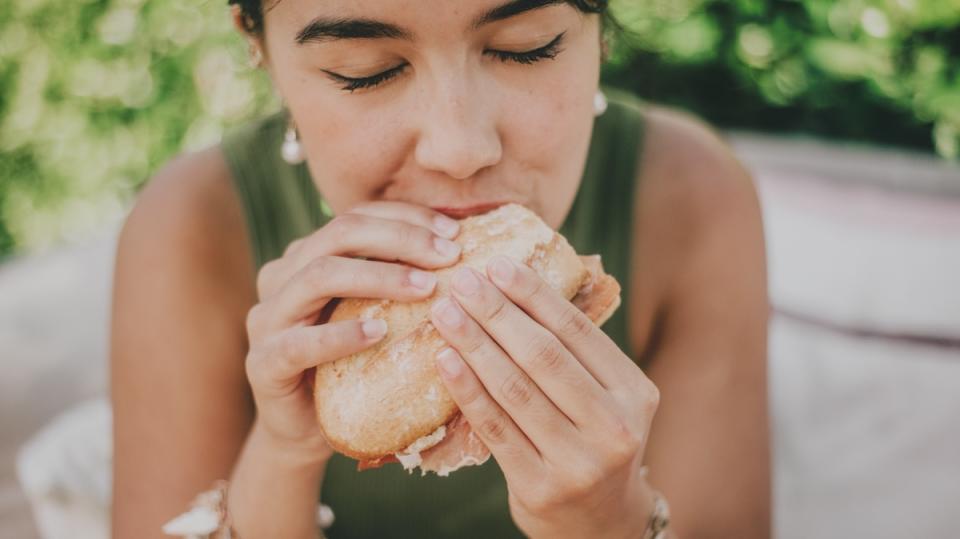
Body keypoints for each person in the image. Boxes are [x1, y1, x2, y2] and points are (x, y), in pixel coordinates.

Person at [110, 0, 770, 537]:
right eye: (363, 70)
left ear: (598, 32)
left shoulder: (692, 198)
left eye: (527, 46)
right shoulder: (190, 230)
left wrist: (609, 523)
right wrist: (283, 457)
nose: (460, 148)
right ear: (261, 49)